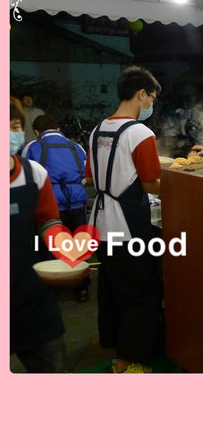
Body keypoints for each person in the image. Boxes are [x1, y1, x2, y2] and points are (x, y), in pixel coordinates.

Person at [85, 65, 163, 373]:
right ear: (142, 94)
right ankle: (130, 359)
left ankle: (117, 347)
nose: (151, 105)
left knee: (112, 289)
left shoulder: (96, 130)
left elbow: (91, 177)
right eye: (152, 98)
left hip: (101, 226)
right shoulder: (140, 133)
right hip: (129, 229)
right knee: (141, 293)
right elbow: (150, 183)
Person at [10, 97, 66, 372]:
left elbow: (47, 220)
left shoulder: (34, 174)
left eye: (15, 124)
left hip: (32, 297)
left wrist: (63, 244)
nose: (10, 131)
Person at [22, 114, 91, 301]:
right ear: (58, 129)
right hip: (77, 203)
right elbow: (86, 174)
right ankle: (82, 288)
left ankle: (52, 290)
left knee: (49, 248)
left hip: (50, 208)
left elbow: (26, 176)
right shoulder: (76, 146)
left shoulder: (32, 147)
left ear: (37, 132)